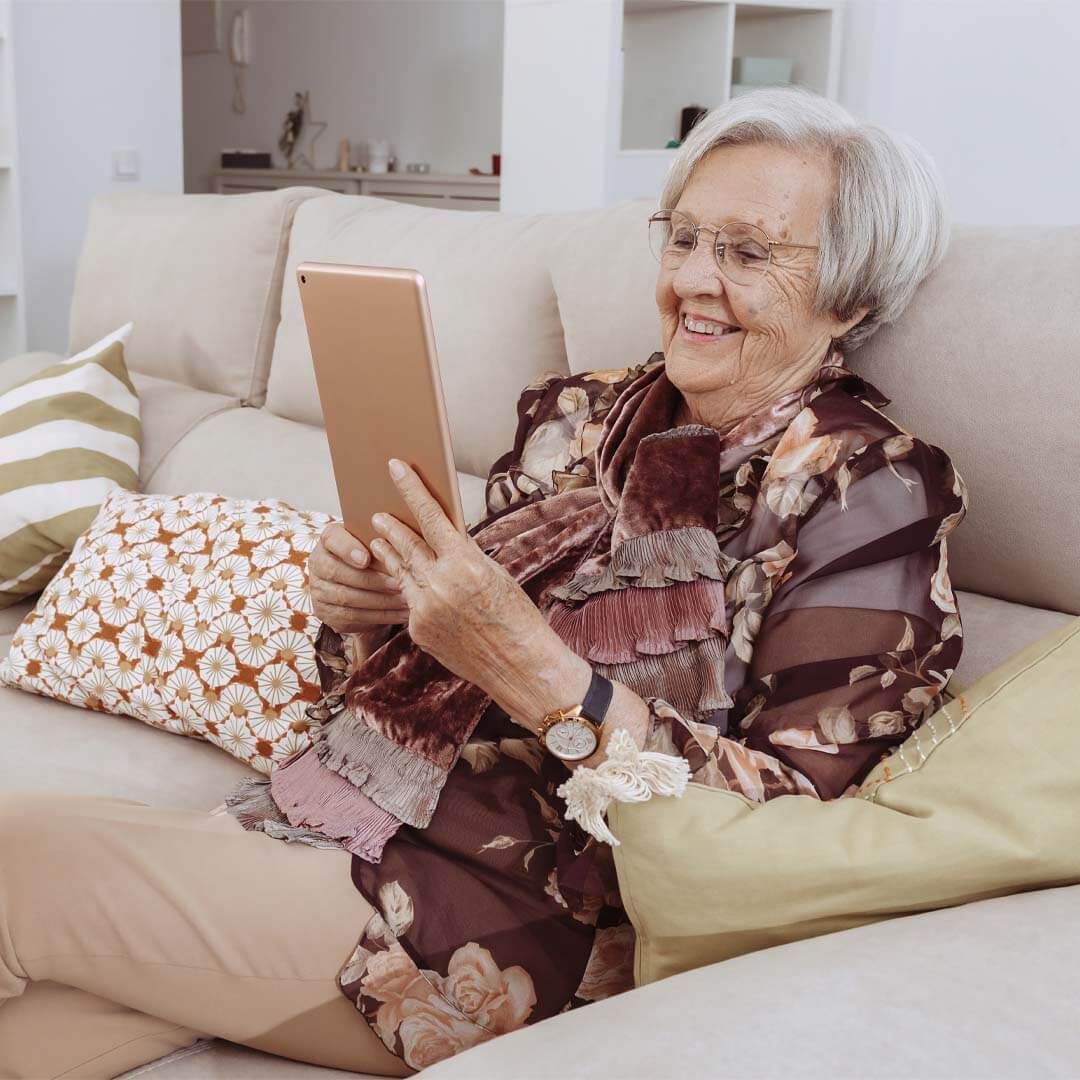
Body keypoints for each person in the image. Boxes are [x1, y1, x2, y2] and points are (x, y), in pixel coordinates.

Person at [0, 87, 967, 1078]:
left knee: (13, 860)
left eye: (748, 252)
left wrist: (542, 678)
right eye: (682, 240)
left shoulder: (867, 488)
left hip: (518, 920)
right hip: (340, 817)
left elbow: (792, 817)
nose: (692, 281)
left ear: (849, 293)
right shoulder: (590, 419)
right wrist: (382, 615)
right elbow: (426, 671)